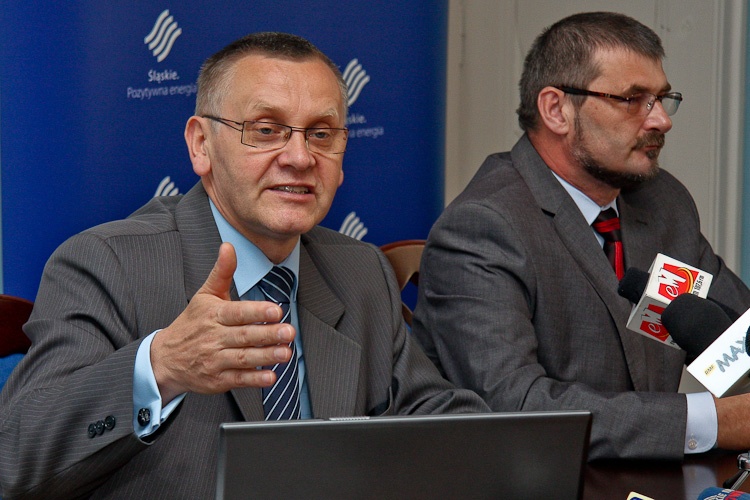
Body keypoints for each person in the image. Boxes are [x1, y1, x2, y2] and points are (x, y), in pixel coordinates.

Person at [0, 32, 488, 499]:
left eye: (321, 134)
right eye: (266, 130)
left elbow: (439, 420)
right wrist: (162, 365)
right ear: (201, 145)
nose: (300, 157)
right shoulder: (109, 265)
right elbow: (15, 459)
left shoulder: (360, 271)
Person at [412, 11, 750, 461]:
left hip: (653, 477)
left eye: (661, 99)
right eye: (633, 100)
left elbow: (737, 338)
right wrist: (713, 421)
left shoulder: (663, 202)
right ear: (556, 110)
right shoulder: (482, 227)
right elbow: (516, 407)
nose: (661, 121)